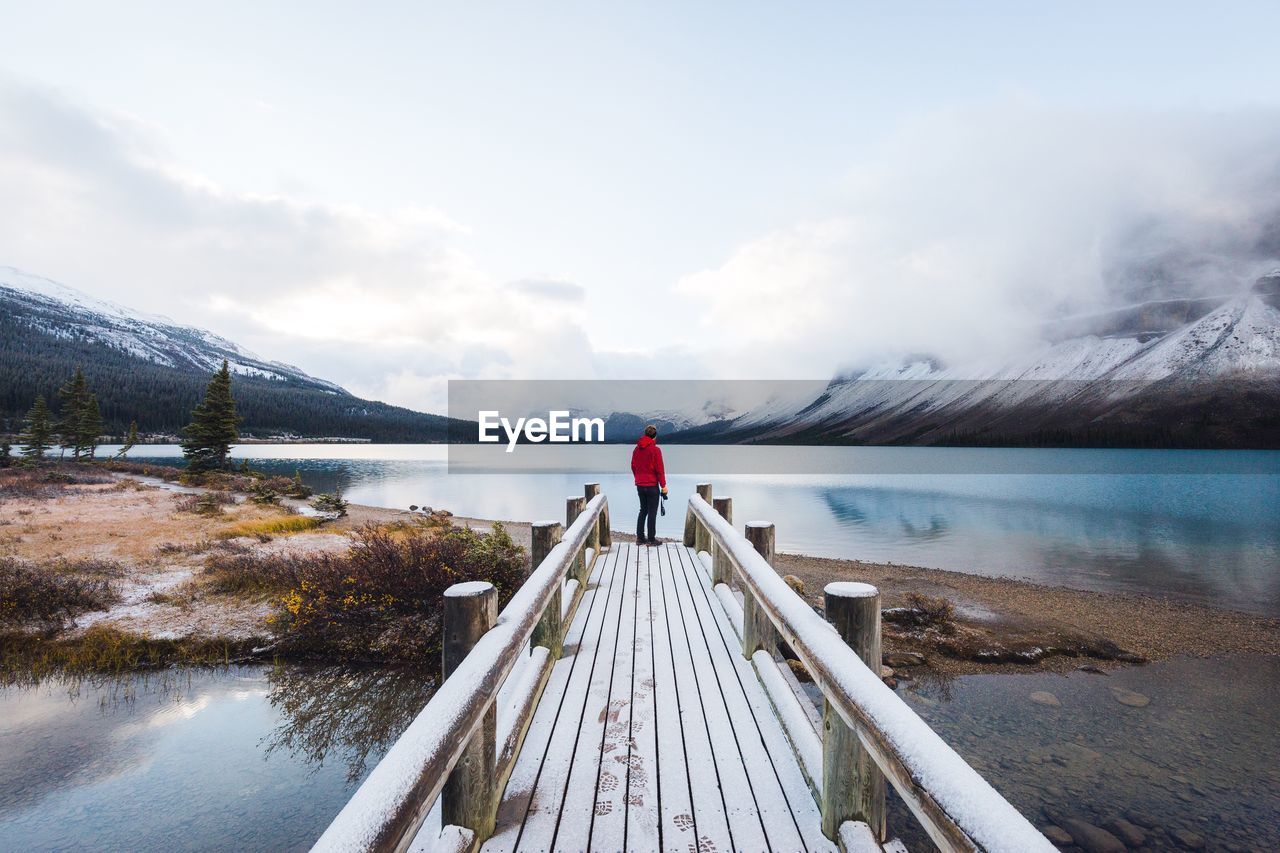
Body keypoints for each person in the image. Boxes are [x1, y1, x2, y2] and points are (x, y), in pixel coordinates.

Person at [631, 424, 667, 546]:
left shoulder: (636, 449)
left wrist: (638, 478)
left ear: (645, 434)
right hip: (652, 486)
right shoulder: (655, 450)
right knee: (652, 512)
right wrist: (664, 485)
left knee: (643, 510)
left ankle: (640, 538)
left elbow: (633, 467)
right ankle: (651, 539)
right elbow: (659, 470)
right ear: (654, 436)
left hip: (640, 485)